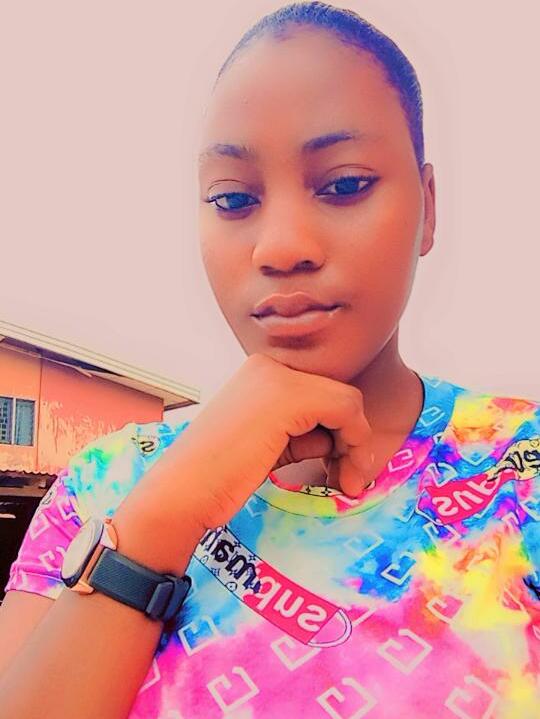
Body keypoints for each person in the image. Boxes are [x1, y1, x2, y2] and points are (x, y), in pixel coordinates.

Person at [0, 2, 539, 717]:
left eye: (344, 185)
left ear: (428, 209)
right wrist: (167, 511)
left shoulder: (517, 473)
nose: (280, 246)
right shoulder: (103, 484)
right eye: (232, 198)